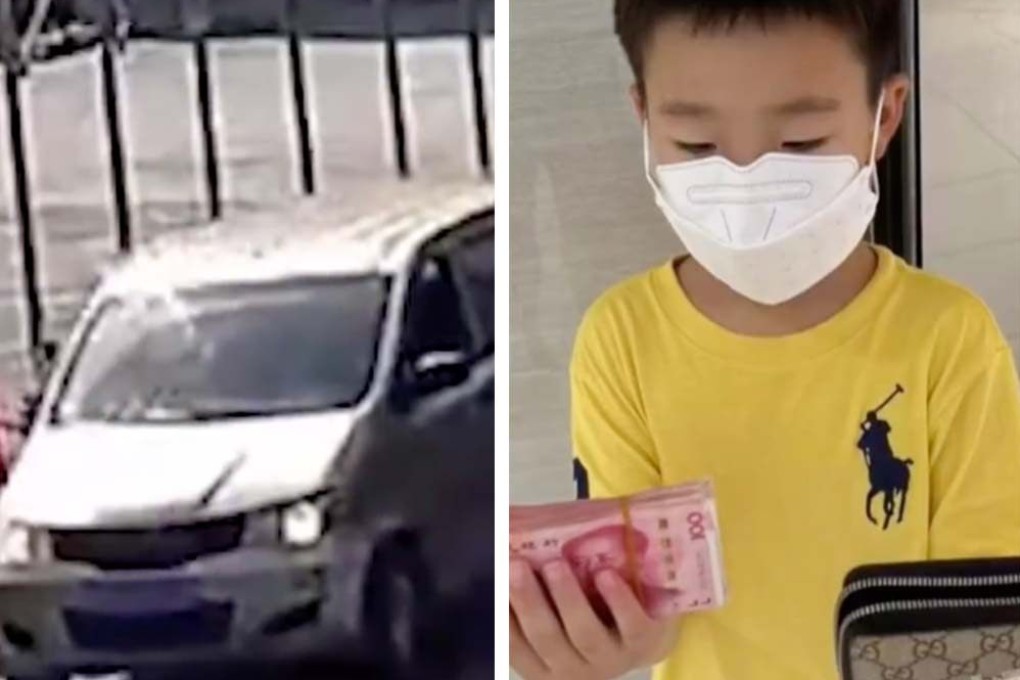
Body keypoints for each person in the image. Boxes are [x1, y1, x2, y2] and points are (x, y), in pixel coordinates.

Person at [509, 2, 1020, 679]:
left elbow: (973, 612)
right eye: (696, 146)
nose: (748, 188)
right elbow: (639, 596)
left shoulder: (949, 338)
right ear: (645, 118)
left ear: (885, 117)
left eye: (801, 142)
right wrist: (592, 638)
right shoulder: (620, 340)